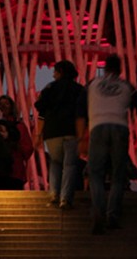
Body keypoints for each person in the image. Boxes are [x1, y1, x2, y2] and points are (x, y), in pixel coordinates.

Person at [81, 54, 137, 234]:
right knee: (118, 175)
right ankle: (112, 214)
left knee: (95, 173)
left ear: (105, 68)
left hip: (97, 127)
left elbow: (80, 105)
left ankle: (98, 210)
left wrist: (81, 132)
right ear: (120, 69)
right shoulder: (126, 86)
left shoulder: (92, 84)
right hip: (120, 128)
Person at [34, 59, 86, 210]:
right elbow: (82, 113)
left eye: (55, 71)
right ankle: (65, 198)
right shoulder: (79, 89)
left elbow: (41, 112)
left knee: (55, 163)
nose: (53, 74)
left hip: (52, 131)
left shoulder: (49, 89)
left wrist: (39, 134)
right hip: (71, 131)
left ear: (61, 72)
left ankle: (53, 194)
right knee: (70, 165)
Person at [0, 95, 34, 190]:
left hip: (14, 169)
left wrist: (15, 146)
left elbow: (28, 148)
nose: (3, 106)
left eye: (6, 103)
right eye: (0, 104)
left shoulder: (19, 126)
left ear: (12, 107)